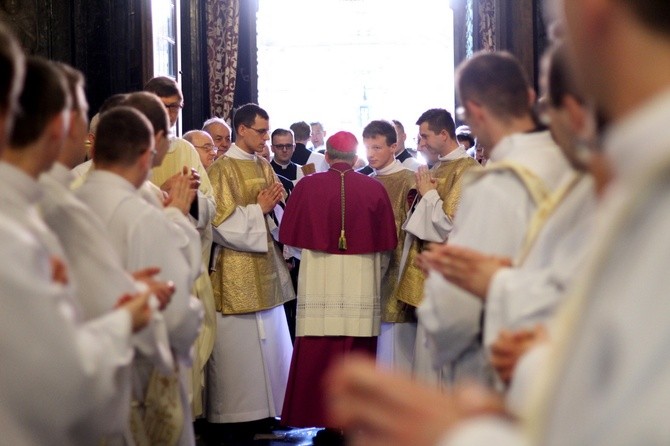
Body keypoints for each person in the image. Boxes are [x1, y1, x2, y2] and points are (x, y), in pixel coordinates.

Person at [0, 50, 152, 444]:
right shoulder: (16, 231)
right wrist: (126, 318)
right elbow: (63, 386)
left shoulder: (30, 209)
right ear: (58, 126)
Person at [416, 53, 572, 386]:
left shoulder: (497, 184)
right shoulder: (573, 168)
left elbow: (458, 311)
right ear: (529, 99)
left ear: (473, 111)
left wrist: (443, 285)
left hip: (504, 361)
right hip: (566, 351)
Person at [77, 106, 204, 445]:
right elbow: (177, 314)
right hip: (136, 377)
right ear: (147, 155)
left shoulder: (69, 204)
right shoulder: (141, 215)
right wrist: (176, 216)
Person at [278, 130, 397, 442]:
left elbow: (289, 238)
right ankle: (356, 418)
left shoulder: (306, 186)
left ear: (327, 156)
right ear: (355, 158)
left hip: (320, 279)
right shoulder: (374, 188)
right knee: (356, 350)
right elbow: (386, 245)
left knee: (320, 352)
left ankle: (323, 421)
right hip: (361, 280)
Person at [206, 103, 294, 433]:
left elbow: (275, 212)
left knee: (270, 335)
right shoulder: (221, 169)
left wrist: (277, 212)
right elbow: (218, 224)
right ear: (242, 130)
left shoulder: (263, 164)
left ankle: (272, 405)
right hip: (235, 266)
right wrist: (259, 209)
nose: (265, 138)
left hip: (265, 261)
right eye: (261, 131)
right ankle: (239, 412)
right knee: (241, 342)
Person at [401, 108, 481, 384]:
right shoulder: (437, 167)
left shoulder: (468, 169)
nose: (420, 143)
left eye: (425, 137)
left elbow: (451, 226)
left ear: (444, 134)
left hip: (450, 274)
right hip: (431, 272)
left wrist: (428, 194)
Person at [362, 119, 419, 372]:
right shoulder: (364, 181)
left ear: (394, 146)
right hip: (370, 267)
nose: (371, 154)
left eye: (377, 148)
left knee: (399, 353)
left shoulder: (410, 180)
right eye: (367, 148)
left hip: (399, 267)